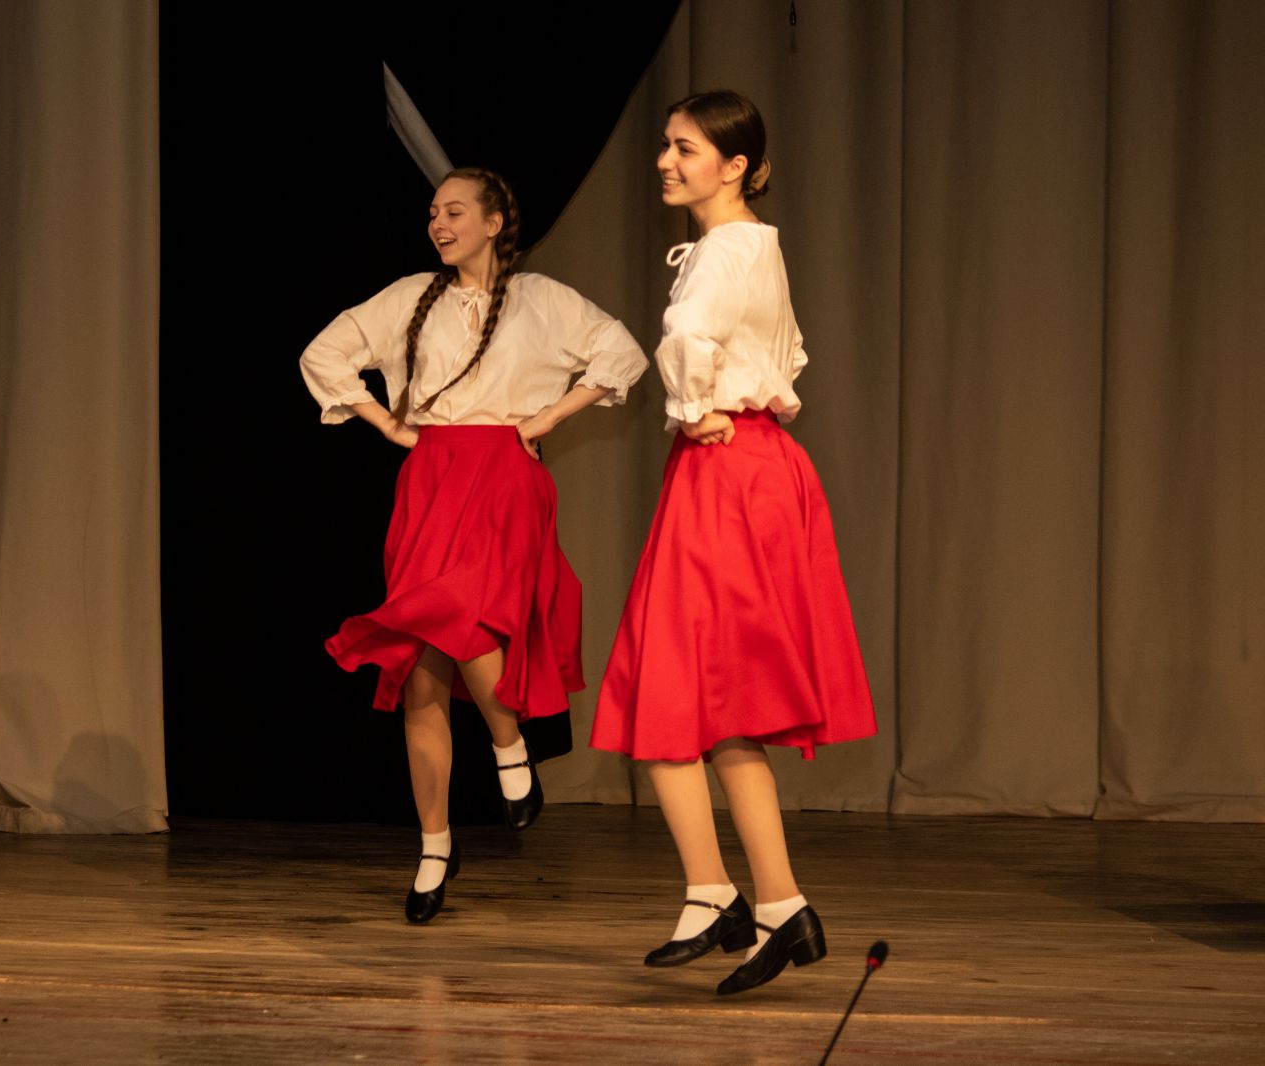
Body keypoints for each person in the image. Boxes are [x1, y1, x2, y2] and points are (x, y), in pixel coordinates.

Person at [300, 167, 646, 923]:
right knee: (422, 669)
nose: (438, 223)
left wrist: (547, 419)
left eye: (454, 211)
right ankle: (435, 847)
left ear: (494, 223)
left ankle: (509, 745)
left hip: (505, 476)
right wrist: (387, 423)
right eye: (432, 212)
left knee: (466, 614)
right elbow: (323, 353)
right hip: (431, 478)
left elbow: (621, 352)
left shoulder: (541, 298)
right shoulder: (408, 297)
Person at [590, 92, 876, 994]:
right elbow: (786, 357)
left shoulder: (728, 247)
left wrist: (692, 406)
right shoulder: (753, 245)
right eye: (666, 146)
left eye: (685, 148)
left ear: (735, 165)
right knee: (709, 707)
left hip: (728, 473)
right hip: (747, 469)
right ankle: (755, 900)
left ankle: (738, 898)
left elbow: (688, 336)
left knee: (676, 690)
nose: (666, 161)